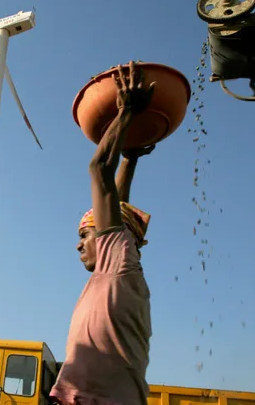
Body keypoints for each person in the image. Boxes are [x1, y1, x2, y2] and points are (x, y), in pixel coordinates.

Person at [51, 61, 156, 405]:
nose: (78, 245)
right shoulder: (118, 272)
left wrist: (125, 112)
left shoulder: (119, 265)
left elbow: (99, 170)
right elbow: (115, 206)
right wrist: (131, 158)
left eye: (84, 235)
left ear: (111, 238)